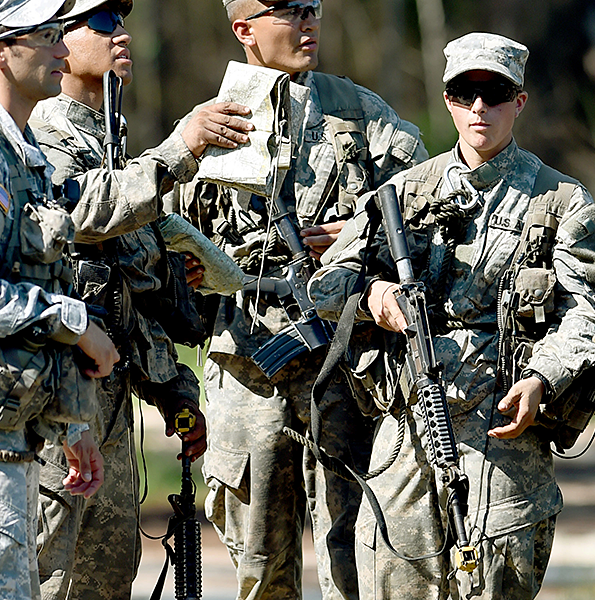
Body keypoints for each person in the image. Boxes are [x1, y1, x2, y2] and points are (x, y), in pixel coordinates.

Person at [310, 32, 595, 600]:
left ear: (519, 101)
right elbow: (328, 282)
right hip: (408, 427)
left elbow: (584, 315)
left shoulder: (561, 202)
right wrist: (374, 296)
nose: (480, 108)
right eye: (464, 92)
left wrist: (541, 377)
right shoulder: (401, 193)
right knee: (396, 581)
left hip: (504, 430)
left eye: (495, 92)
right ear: (448, 99)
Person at [172, 1, 428, 599]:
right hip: (247, 369)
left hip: (343, 372)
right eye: (288, 11)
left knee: (355, 564)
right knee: (260, 568)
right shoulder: (210, 123)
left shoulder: (361, 112)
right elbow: (154, 226)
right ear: (245, 31)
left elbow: (427, 207)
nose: (309, 22)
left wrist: (356, 231)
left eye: (313, 7)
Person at [26, 1, 253, 597]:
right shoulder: (36, 133)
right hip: (55, 404)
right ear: (58, 40)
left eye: (121, 21)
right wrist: (182, 147)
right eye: (101, 22)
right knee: (50, 578)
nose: (119, 34)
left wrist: (171, 387)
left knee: (107, 576)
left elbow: (123, 291)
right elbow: (82, 215)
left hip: (109, 403)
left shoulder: (109, 146)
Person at [0, 0, 121, 598]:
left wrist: (72, 418)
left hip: (10, 432)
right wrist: (73, 322)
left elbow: (44, 273)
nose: (63, 50)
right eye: (44, 36)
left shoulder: (23, 154)